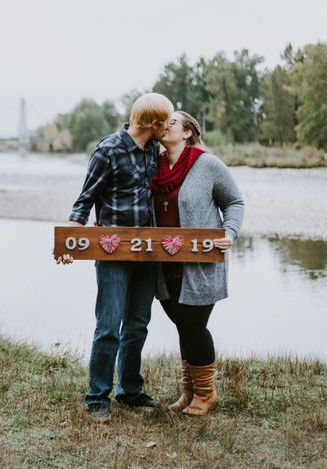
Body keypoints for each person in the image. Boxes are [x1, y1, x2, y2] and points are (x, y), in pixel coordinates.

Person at [56, 93, 174, 423]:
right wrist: (69, 242)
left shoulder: (153, 149)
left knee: (137, 326)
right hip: (112, 252)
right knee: (108, 326)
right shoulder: (107, 150)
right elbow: (84, 200)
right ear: (154, 124)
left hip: (148, 254)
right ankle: (97, 396)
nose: (168, 126)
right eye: (166, 121)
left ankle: (130, 392)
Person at [152, 111, 244, 415]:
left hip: (201, 265)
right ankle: (189, 391)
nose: (166, 126)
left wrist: (229, 233)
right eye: (163, 123)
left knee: (193, 325)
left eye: (173, 122)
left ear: (188, 132)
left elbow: (234, 202)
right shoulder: (155, 165)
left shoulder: (207, 164)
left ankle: (206, 394)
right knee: (184, 326)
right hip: (165, 266)